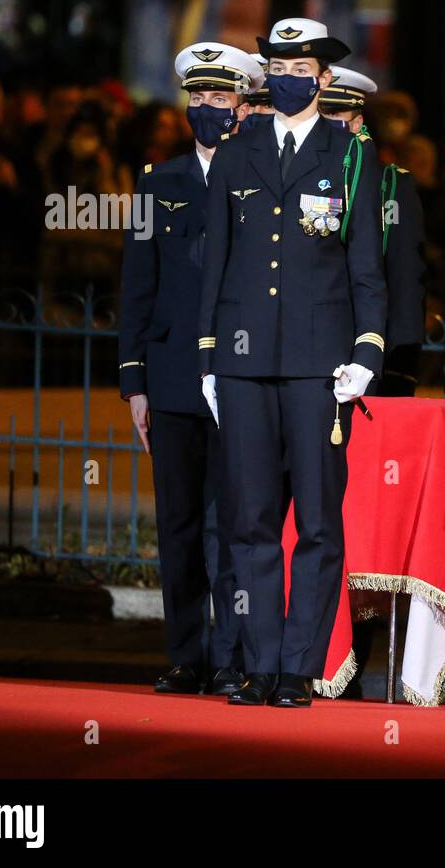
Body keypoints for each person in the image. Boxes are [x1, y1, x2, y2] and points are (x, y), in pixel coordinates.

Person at [197, 18, 387, 709]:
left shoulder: (350, 154)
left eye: (302, 65)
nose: (288, 76)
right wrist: (209, 358)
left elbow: (367, 265)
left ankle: (299, 668)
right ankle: (259, 663)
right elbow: (214, 260)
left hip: (318, 365)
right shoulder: (238, 149)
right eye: (277, 64)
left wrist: (367, 351)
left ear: (324, 77)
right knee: (247, 522)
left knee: (316, 523)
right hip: (244, 362)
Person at [118, 41, 264, 697]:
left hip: (238, 378)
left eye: (221, 97)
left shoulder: (264, 180)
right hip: (173, 378)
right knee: (178, 525)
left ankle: (231, 657)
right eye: (198, 98)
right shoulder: (159, 184)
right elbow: (137, 290)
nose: (208, 107)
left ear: (242, 105)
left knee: (232, 524)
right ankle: (187, 655)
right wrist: (134, 383)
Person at [318, 68, 427, 395]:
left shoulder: (390, 186)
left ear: (357, 122)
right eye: (321, 112)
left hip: (367, 345)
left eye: (336, 113)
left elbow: (405, 275)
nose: (328, 122)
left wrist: (400, 364)